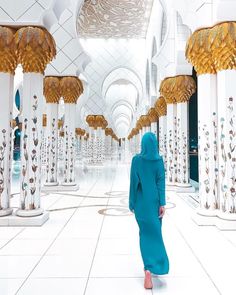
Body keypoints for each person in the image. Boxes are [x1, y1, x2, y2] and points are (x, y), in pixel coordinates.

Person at [129, 132, 169, 289]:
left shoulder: (137, 160)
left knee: (144, 234)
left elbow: (134, 184)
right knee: (156, 234)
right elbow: (161, 183)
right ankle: (156, 265)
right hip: (154, 205)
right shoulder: (159, 161)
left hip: (141, 205)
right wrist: (162, 203)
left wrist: (131, 203)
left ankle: (147, 269)